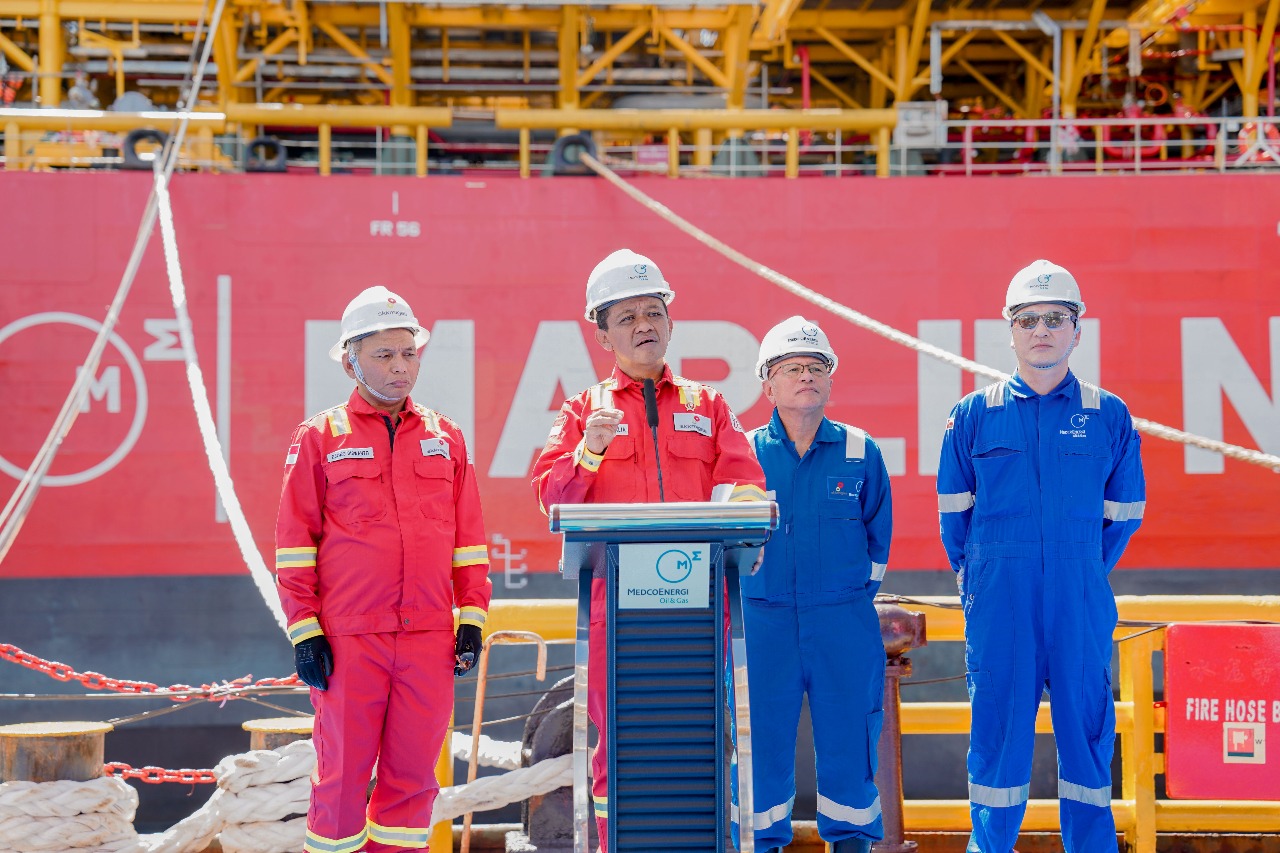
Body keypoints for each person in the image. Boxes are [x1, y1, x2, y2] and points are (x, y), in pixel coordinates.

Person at [531, 248, 767, 850]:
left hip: (701, 606)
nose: (643, 325)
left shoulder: (709, 406)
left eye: (653, 312)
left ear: (670, 321)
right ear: (602, 334)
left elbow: (746, 483)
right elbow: (551, 497)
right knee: (620, 747)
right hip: (615, 612)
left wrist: (747, 526)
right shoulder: (583, 411)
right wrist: (588, 452)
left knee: (700, 741)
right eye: (627, 317)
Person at [936, 260, 1146, 853]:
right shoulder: (973, 415)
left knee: (1086, 735)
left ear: (1078, 330)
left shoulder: (1109, 414)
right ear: (1011, 331)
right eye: (1028, 320)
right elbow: (955, 516)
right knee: (998, 735)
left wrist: (1080, 569)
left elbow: (1125, 512)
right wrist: (984, 579)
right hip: (1001, 601)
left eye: (1056, 318)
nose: (1042, 331)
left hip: (1078, 599)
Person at [276, 285, 492, 853]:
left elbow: (469, 542)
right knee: (341, 780)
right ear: (351, 362)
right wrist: (305, 631)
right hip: (350, 640)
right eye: (384, 355)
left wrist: (471, 619)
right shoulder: (320, 438)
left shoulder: (446, 438)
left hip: (427, 638)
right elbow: (295, 544)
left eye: (409, 353)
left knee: (413, 785)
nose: (401, 366)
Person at [742, 316, 891, 853]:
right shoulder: (742, 456)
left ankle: (852, 843)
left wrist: (841, 601)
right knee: (760, 745)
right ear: (768, 386)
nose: (805, 376)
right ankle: (762, 843)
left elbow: (877, 543)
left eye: (815, 367)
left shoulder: (860, 451)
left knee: (850, 741)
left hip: (842, 622)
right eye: (791, 369)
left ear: (830, 380)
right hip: (762, 623)